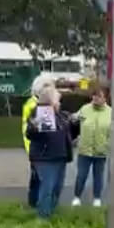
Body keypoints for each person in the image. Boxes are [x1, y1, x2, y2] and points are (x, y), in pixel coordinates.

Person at [25, 86, 80, 219]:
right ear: (50, 100)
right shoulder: (40, 113)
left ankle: (51, 211)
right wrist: (34, 126)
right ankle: (43, 216)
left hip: (60, 156)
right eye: (57, 100)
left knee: (57, 187)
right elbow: (31, 134)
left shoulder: (61, 115)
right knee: (47, 188)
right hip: (45, 157)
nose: (59, 103)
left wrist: (76, 123)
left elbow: (69, 134)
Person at [21, 73, 57, 208]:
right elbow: (46, 130)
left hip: (36, 148)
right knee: (40, 178)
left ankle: (34, 202)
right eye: (49, 86)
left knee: (36, 177)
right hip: (38, 148)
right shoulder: (38, 106)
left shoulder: (34, 103)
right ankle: (37, 204)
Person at [72, 87, 111, 207]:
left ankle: (97, 198)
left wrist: (108, 144)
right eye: (94, 95)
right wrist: (75, 135)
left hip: (101, 151)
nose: (95, 98)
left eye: (99, 96)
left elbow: (113, 132)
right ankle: (77, 197)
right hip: (84, 150)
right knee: (81, 175)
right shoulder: (85, 109)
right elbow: (75, 120)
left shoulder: (110, 112)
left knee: (98, 176)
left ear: (105, 98)